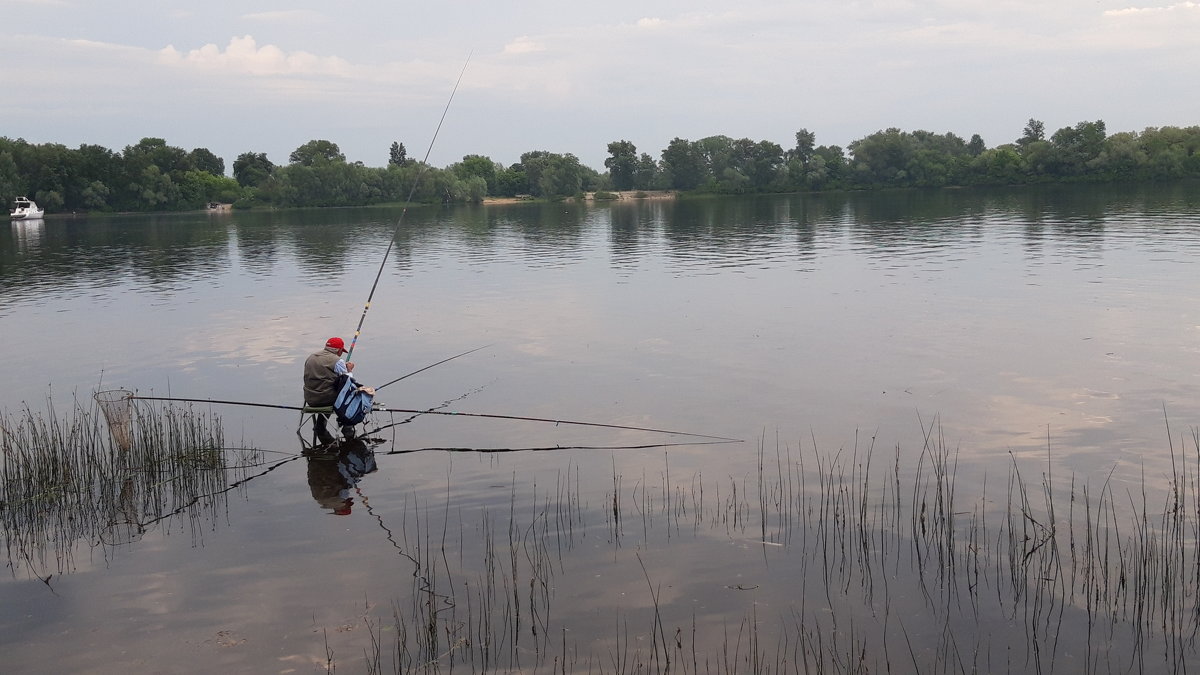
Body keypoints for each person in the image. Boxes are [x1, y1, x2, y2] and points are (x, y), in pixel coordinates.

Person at [303, 337, 355, 444]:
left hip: (310, 399)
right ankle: (348, 427)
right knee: (351, 393)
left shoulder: (311, 357)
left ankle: (320, 426)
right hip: (327, 399)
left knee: (326, 390)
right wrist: (349, 369)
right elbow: (348, 382)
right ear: (339, 350)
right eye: (341, 351)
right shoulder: (337, 361)